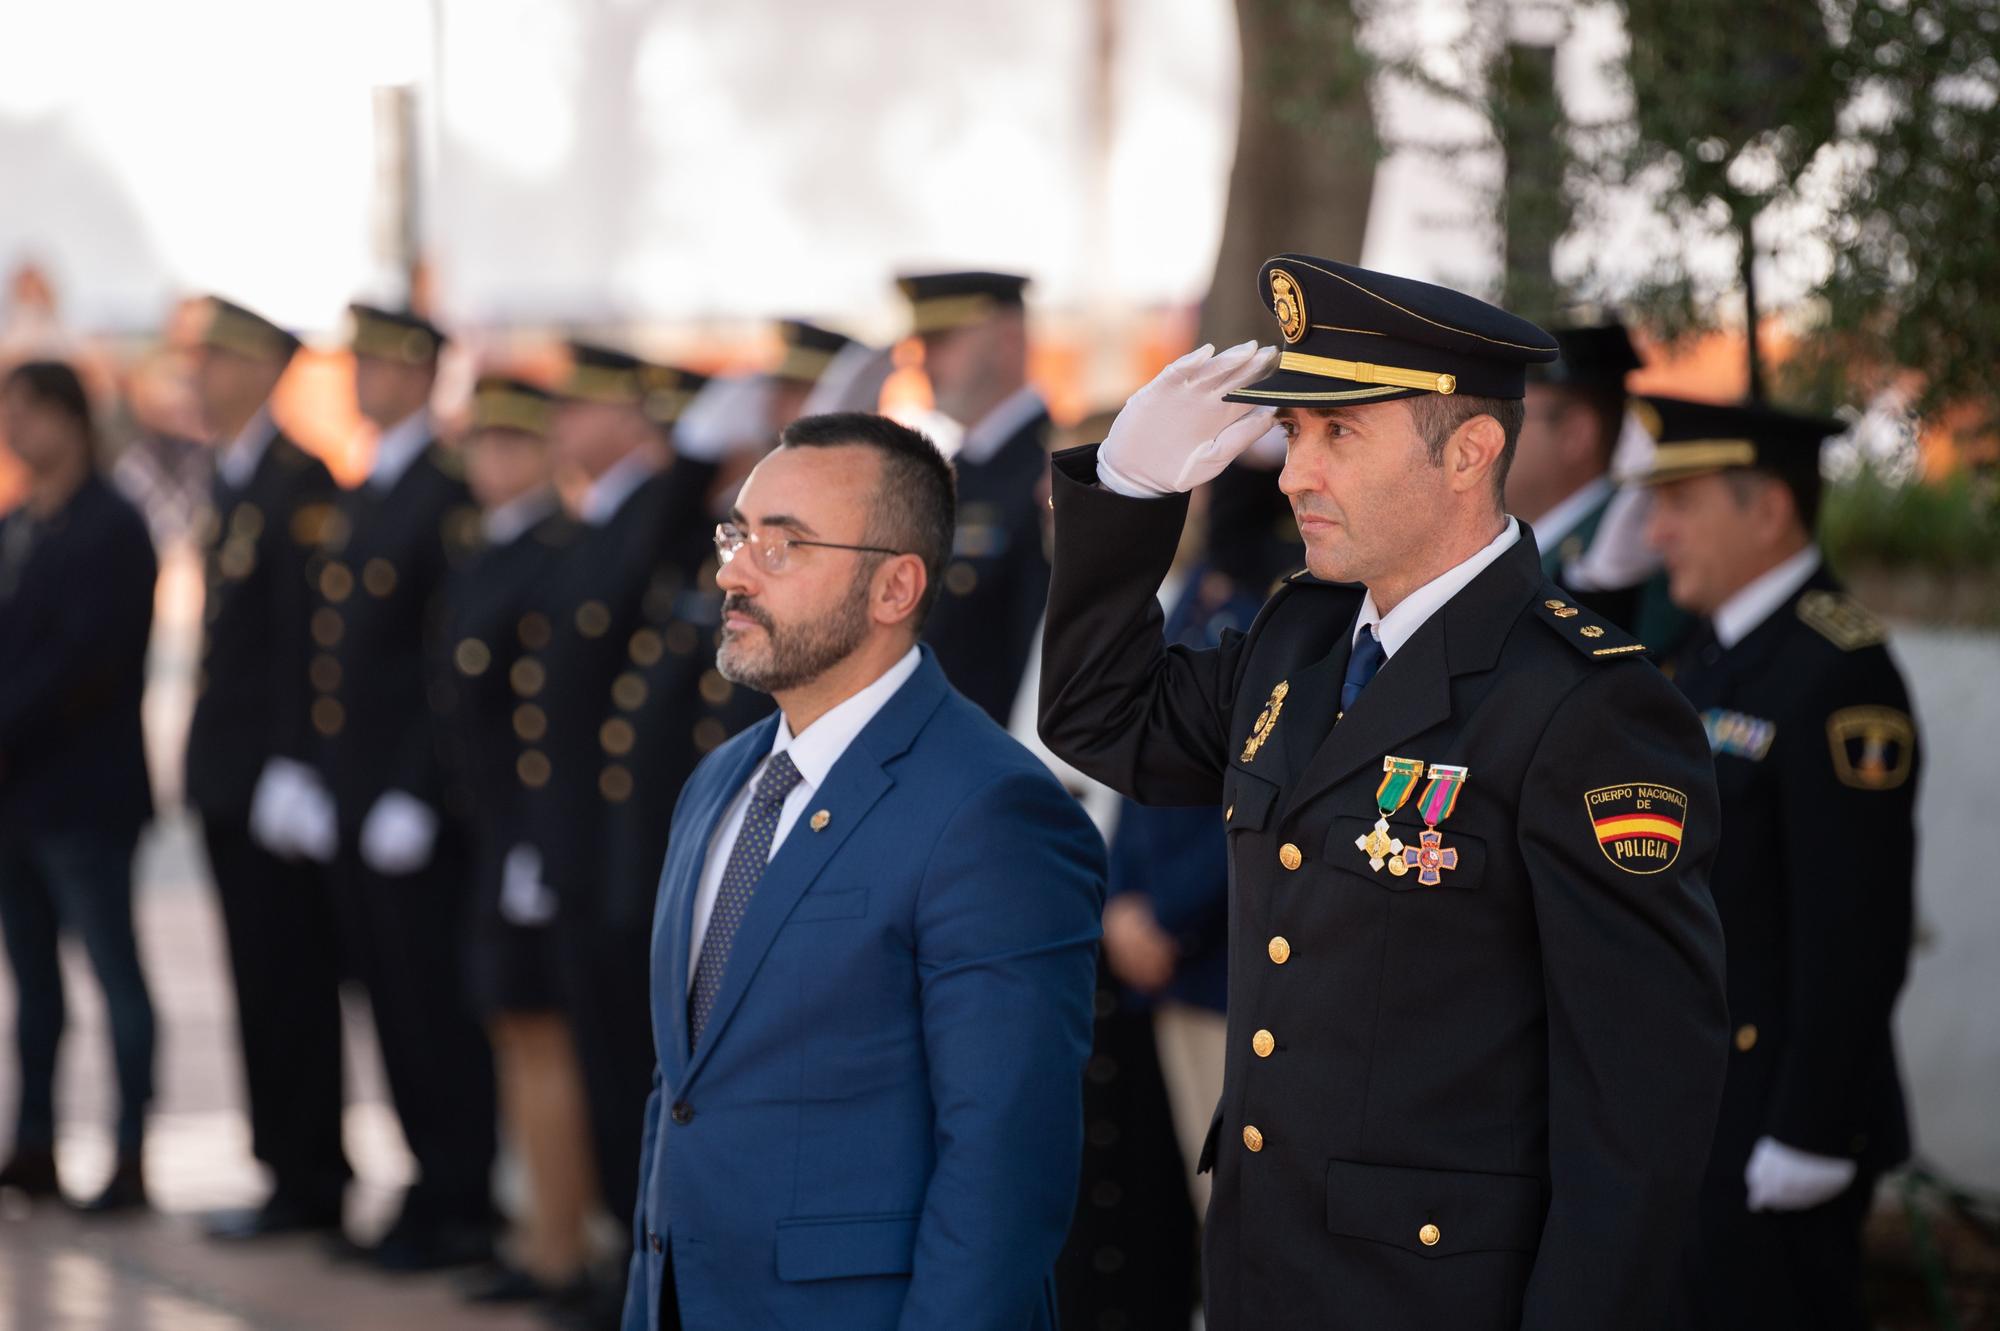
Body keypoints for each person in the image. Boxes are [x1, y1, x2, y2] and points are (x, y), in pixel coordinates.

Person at [1037, 254, 1731, 1330]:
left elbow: (1636, 1104)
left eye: (1338, 433)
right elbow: (1099, 719)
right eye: (1293, 432)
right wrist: (1127, 491)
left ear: (1468, 449)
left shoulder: (1584, 707)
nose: (1290, 472)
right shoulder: (1299, 640)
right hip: (1265, 1267)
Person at [621, 412, 1104, 1331]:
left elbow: (1005, 1164)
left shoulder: (991, 810)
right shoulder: (720, 783)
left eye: (785, 544)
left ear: (895, 586)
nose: (733, 570)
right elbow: (681, 1092)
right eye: (738, 534)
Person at [1638, 396, 1918, 1331]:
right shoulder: (1699, 656)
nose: (1656, 528)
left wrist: (1811, 1127)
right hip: (1690, 1108)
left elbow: (1857, 927)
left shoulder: (1839, 673)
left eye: (1680, 501)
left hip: (1771, 1125)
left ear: (1768, 510)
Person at [518, 344, 725, 1320]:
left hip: (662, 855)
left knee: (658, 1076)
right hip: (610, 849)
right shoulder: (625, 528)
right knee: (611, 1064)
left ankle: (650, 1265)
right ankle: (619, 1253)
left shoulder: (673, 531)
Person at [301, 303, 495, 1270]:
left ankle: (461, 1195)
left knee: (432, 1008)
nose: (361, 379)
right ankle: (428, 1177)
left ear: (422, 372)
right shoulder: (369, 483)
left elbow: (443, 658)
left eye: (378, 363)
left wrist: (419, 786)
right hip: (356, 794)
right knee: (389, 999)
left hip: (411, 806)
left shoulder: (443, 489)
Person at [178, 297, 351, 1240]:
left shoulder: (298, 479)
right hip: (230, 779)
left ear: (254, 367)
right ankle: (283, 1163)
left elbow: (302, 642)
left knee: (290, 980)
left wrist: (296, 761)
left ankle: (312, 1175)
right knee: (257, 978)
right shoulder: (238, 478)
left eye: (211, 359)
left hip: (271, 782)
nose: (195, 377)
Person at [430, 375, 597, 1311]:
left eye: (512, 442)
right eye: (481, 443)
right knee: (512, 1031)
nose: (493, 461)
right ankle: (536, 1226)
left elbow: (549, 715)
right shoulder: (483, 548)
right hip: (490, 832)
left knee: (546, 1034)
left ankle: (564, 1241)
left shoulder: (555, 550)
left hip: (531, 834)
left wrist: (536, 837)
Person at [0, 360, 158, 1212]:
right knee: (32, 980)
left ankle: (132, 1148)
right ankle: (34, 1140)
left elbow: (85, 662)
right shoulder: (19, 525)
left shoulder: (112, 527)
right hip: (20, 795)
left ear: (70, 418)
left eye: (27, 412)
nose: (13, 430)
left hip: (85, 792)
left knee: (113, 970)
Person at [895, 271, 1052, 723]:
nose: (924, 363)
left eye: (942, 341)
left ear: (1007, 339)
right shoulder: (957, 472)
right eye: (922, 345)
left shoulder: (1050, 468)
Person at [1510, 320, 1684, 642]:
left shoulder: (1622, 555)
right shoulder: (1531, 549)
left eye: (1508, 418)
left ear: (1576, 435)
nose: (1481, 439)